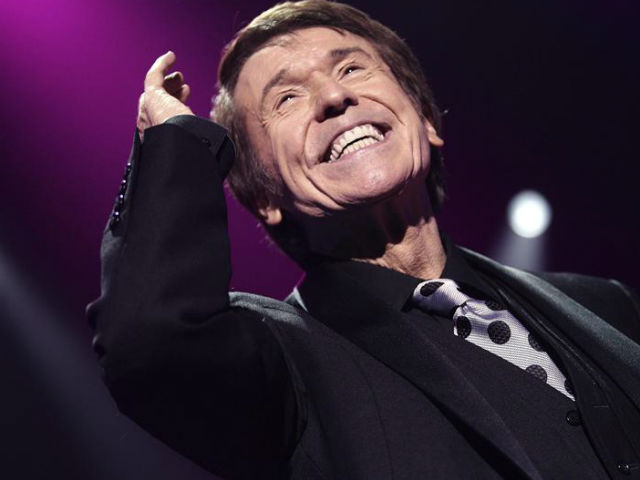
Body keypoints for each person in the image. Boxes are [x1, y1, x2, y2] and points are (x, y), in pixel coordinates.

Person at [87, 1, 640, 479]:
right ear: (263, 197)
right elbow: (149, 344)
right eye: (286, 99)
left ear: (426, 121)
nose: (334, 96)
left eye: (351, 68)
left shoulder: (604, 304)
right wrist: (175, 141)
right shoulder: (285, 367)